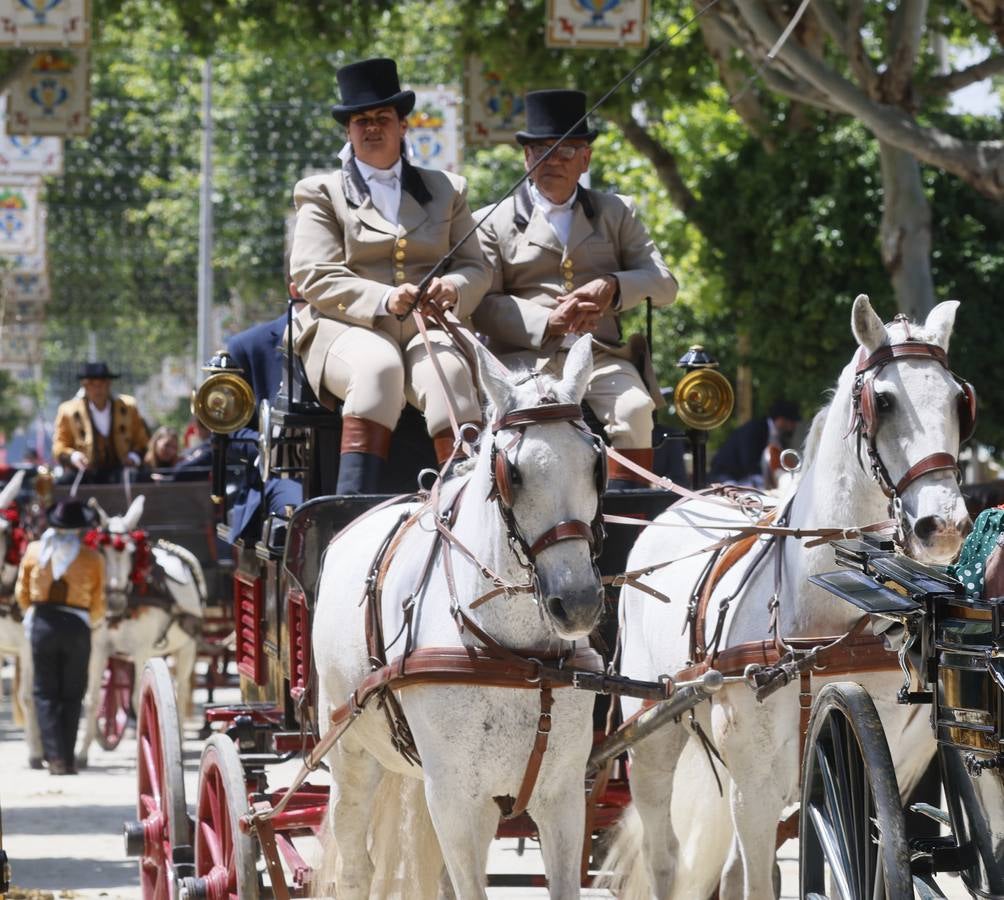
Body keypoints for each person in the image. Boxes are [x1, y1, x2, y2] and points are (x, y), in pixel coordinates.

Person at [289, 57, 491, 493]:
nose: (372, 127)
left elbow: (476, 266)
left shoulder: (448, 190)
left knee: (450, 374)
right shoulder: (321, 192)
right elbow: (313, 273)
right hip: (345, 326)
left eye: (383, 118)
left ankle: (469, 501)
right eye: (361, 120)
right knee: (379, 369)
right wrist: (384, 298)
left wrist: (453, 288)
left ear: (403, 126)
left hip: (429, 325)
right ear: (348, 131)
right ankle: (352, 508)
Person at [472, 89, 678, 489]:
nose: (552, 161)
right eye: (540, 150)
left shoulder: (617, 212)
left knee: (636, 411)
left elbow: (664, 284)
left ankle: (625, 532)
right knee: (526, 431)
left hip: (600, 356)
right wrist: (547, 321)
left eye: (565, 151)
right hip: (522, 362)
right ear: (525, 158)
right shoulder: (491, 221)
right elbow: (481, 306)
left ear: (586, 158)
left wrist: (612, 287)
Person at [15, 498, 105, 774]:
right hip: (77, 626)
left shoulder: (34, 551)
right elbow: (98, 603)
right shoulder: (92, 557)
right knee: (73, 692)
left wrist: (38, 615)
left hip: (43, 623)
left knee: (45, 692)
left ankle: (54, 758)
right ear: (80, 529)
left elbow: (22, 594)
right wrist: (88, 621)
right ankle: (67, 757)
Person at [223, 285, 305, 540]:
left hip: (355, 467)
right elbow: (231, 432)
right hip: (283, 474)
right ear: (295, 286)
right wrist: (270, 449)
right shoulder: (248, 347)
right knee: (305, 515)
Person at [52, 362, 149, 484]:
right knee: (61, 484)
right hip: (85, 471)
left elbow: (142, 441)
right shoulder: (68, 411)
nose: (98, 389)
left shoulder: (128, 407)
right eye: (92, 384)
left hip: (121, 469)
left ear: (109, 384)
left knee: (140, 478)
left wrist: (133, 458)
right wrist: (74, 457)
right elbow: (59, 445)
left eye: (102, 383)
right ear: (85, 386)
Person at [709, 399, 802, 487]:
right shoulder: (755, 429)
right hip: (726, 474)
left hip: (744, 476)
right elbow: (749, 461)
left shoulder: (780, 436)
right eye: (792, 422)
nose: (793, 426)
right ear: (781, 419)